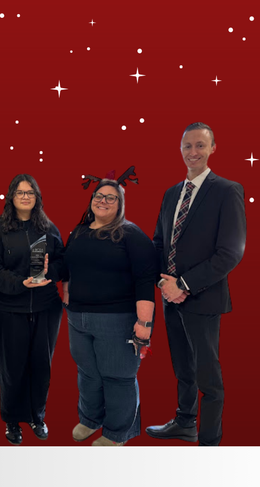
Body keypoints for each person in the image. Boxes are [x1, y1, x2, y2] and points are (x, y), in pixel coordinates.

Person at [146, 122, 247, 446]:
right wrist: (164, 283)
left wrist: (184, 284)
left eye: (200, 145)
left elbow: (230, 252)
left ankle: (209, 442)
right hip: (170, 297)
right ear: (180, 150)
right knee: (182, 366)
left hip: (203, 297)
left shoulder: (227, 190)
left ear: (213, 148)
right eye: (187, 146)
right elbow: (160, 242)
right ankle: (185, 421)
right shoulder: (171, 193)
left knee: (208, 376)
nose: (193, 152)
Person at [63, 179, 157, 446]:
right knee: (88, 373)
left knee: (118, 376)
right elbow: (68, 271)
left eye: (110, 198)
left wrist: (144, 323)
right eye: (98, 196)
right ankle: (91, 419)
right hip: (77, 318)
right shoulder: (79, 231)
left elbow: (144, 281)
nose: (102, 201)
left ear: (121, 204)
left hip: (117, 320)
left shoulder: (131, 235)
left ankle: (117, 433)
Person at [0, 174, 65, 445]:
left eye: (30, 192)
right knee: (12, 368)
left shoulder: (50, 229)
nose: (26, 196)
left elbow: (64, 265)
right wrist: (21, 283)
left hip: (45, 310)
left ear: (37, 197)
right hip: (8, 310)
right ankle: (11, 421)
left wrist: (47, 271)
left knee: (42, 366)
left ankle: (36, 416)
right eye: (20, 192)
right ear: (11, 197)